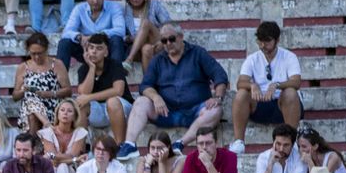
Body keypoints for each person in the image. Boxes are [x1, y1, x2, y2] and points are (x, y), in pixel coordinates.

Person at [118, 26, 228, 158]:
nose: (168, 44)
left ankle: (180, 143)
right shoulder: (158, 60)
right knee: (141, 101)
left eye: (171, 39)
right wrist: (156, 97)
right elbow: (145, 85)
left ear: (181, 37)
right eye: (164, 41)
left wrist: (218, 97)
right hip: (166, 112)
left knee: (216, 109)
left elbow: (220, 75)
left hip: (196, 111)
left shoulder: (198, 53)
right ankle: (130, 144)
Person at [230, 21, 303, 154]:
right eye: (260, 41)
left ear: (277, 40)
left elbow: (296, 82)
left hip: (283, 106)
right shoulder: (252, 59)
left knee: (291, 93)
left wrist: (277, 85)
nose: (263, 45)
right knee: (241, 94)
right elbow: (241, 82)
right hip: (260, 105)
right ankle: (239, 142)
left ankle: (292, 141)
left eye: (267, 41)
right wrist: (252, 85)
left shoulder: (289, 57)